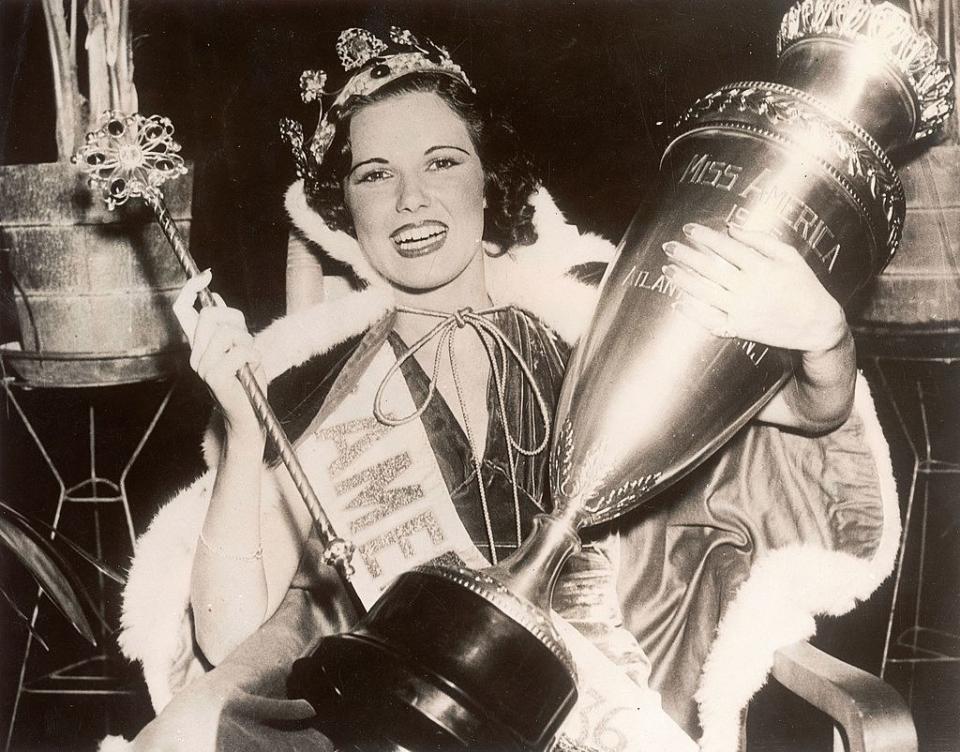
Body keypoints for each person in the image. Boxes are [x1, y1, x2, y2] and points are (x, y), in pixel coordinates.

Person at [106, 27, 897, 752]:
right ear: (342, 207)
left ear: (491, 179)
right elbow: (232, 631)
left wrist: (822, 335)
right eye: (375, 174)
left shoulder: (589, 328)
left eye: (443, 162)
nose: (411, 200)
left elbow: (803, 417)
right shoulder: (314, 384)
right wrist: (245, 432)